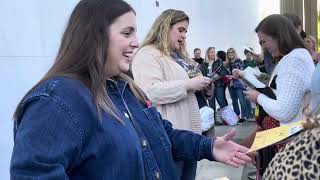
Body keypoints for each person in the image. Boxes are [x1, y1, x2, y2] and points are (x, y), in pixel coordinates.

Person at [10, 1, 252, 179]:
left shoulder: (127, 89)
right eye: (127, 33)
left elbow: (164, 135)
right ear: (94, 38)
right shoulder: (55, 101)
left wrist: (208, 147)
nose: (136, 42)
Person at [132, 9, 218, 180]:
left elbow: (188, 89)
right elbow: (149, 91)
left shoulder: (179, 57)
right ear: (165, 27)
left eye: (186, 31)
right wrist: (189, 84)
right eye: (180, 30)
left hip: (189, 137)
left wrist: (205, 90)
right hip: (169, 138)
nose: (184, 35)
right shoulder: (147, 54)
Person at [233, 14, 315, 176]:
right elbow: (276, 91)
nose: (263, 47)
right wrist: (245, 76)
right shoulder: (296, 57)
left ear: (279, 36)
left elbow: (284, 111)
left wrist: (258, 97)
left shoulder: (293, 61)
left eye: (264, 41)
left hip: (292, 142)